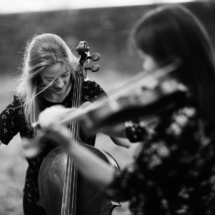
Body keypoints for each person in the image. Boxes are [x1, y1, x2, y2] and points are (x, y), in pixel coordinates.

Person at [36, 4, 215, 215]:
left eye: (146, 57)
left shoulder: (187, 118)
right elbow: (136, 130)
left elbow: (123, 187)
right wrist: (90, 118)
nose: (146, 67)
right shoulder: (192, 99)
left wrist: (68, 144)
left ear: (172, 60)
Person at [0, 33, 128, 215]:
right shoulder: (24, 104)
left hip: (89, 196)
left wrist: (97, 116)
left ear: (70, 66)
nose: (60, 84)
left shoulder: (89, 91)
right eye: (50, 79)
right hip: (42, 200)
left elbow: (125, 141)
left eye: (65, 75)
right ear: (36, 76)